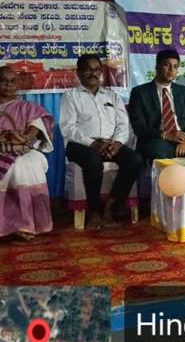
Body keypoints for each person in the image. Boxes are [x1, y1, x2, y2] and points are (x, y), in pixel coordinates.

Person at [0, 66, 54, 240]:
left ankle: (26, 225)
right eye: (3, 81)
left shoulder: (26, 106)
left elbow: (39, 123)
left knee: (28, 165)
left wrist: (25, 138)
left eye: (13, 81)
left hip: (21, 147)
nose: (8, 85)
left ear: (18, 84)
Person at [60, 54, 142, 228]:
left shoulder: (112, 96)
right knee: (93, 162)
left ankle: (112, 205)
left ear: (101, 72)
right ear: (78, 72)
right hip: (80, 145)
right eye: (88, 70)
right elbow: (68, 128)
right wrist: (93, 144)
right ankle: (95, 211)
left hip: (110, 143)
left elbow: (123, 124)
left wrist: (117, 144)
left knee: (134, 159)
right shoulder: (70, 96)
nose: (93, 74)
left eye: (96, 70)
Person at [128, 49, 185, 160]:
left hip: (183, 139)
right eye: (167, 65)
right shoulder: (140, 92)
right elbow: (139, 127)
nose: (171, 70)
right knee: (159, 153)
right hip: (157, 139)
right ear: (157, 66)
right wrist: (166, 135)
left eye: (175, 67)